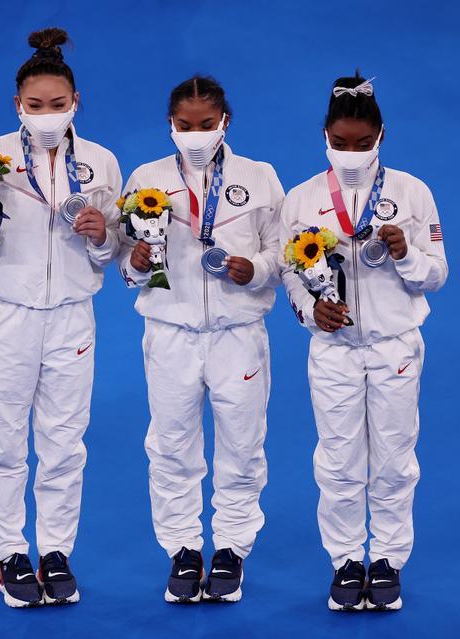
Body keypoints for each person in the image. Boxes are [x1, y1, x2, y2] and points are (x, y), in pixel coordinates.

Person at [0, 28, 121, 608]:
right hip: (7, 314)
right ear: (16, 106)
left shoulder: (100, 163)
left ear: (77, 103)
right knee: (0, 442)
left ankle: (55, 551)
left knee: (65, 442)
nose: (47, 116)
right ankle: (10, 556)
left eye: (58, 105)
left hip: (72, 316)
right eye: (35, 106)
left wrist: (101, 238)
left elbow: (114, 250)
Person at [280, 72, 448, 611]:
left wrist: (406, 255)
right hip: (332, 349)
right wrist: (310, 311)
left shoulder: (412, 192)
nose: (349, 153)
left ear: (382, 136)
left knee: (396, 458)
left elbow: (437, 274)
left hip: (395, 344)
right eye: (339, 142)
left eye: (361, 143)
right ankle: (347, 560)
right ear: (323, 135)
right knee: (338, 459)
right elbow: (288, 271)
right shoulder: (302, 197)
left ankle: (388, 560)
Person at [118, 76, 283, 603]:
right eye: (185, 126)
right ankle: (183, 549)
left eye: (206, 125)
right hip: (171, 333)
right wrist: (137, 263)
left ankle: (232, 547)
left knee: (242, 443)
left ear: (225, 122)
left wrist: (252, 268)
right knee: (170, 446)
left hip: (238, 333)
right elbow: (123, 263)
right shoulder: (146, 177)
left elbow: (285, 255)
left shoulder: (259, 178)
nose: (195, 134)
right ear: (171, 125)